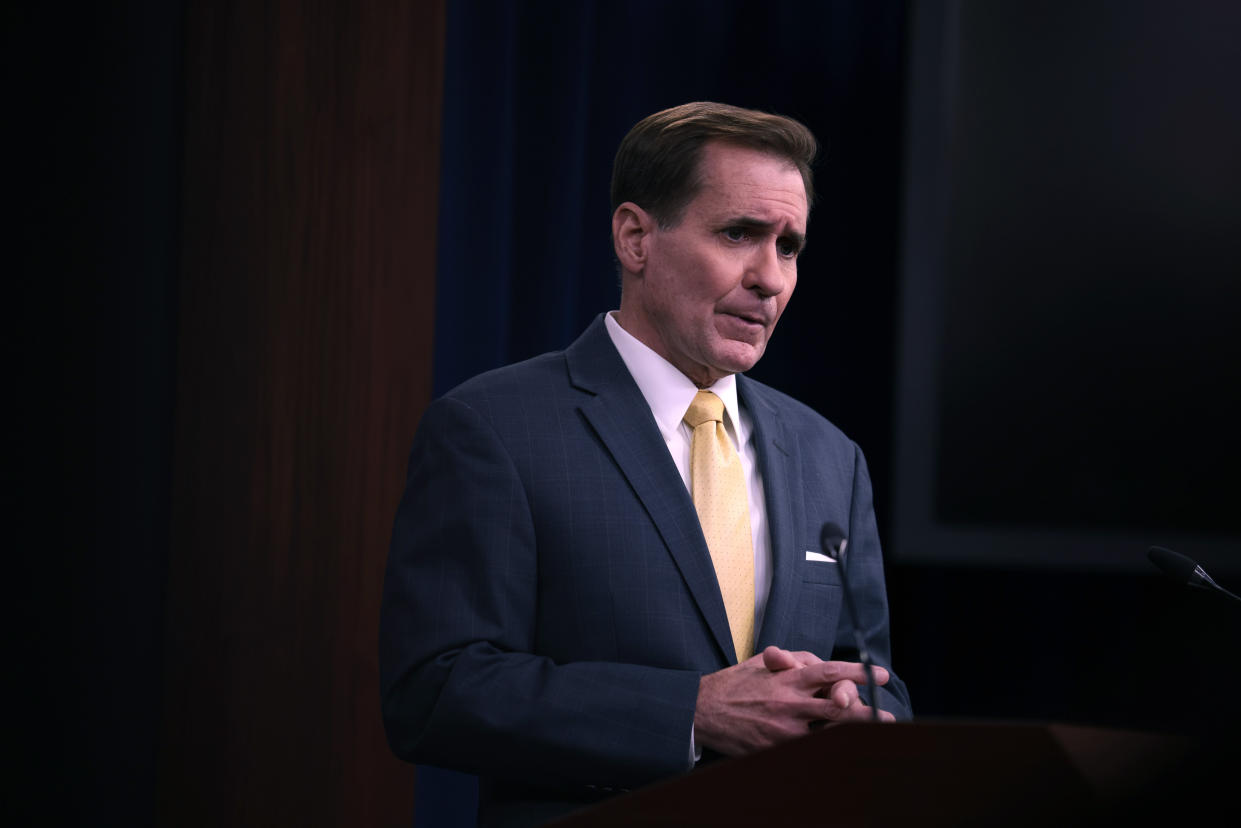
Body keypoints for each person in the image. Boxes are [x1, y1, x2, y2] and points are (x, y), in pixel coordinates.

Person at [380, 102, 911, 826]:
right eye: (738, 234)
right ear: (635, 238)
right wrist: (688, 714)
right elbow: (434, 693)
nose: (770, 279)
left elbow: (875, 677)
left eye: (788, 247)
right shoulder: (494, 428)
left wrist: (861, 717)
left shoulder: (830, 457)